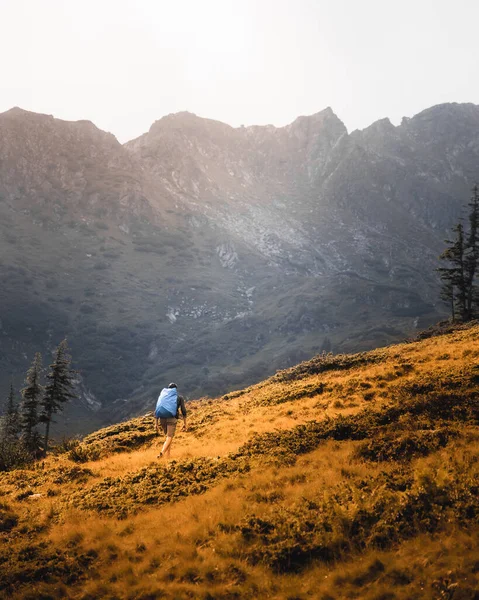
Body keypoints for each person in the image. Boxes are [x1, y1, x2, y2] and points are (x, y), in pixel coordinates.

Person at [155, 383, 187, 459]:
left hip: (162, 418)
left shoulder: (163, 397)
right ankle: (162, 453)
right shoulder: (179, 397)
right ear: (175, 389)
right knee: (169, 437)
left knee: (168, 438)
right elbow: (183, 411)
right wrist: (185, 423)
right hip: (172, 418)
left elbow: (157, 409)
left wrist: (156, 423)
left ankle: (168, 456)